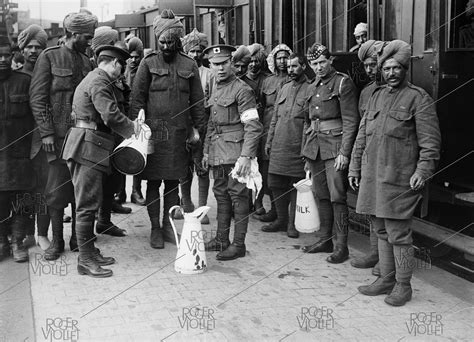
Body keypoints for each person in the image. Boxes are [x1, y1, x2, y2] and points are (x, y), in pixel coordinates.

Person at [349, 40, 441, 306]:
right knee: (379, 229)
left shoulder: (418, 97)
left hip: (399, 177)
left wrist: (423, 171)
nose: (391, 73)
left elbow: (431, 143)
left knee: (398, 233)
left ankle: (403, 286)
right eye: (387, 68)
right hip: (373, 176)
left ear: (405, 69)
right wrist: (355, 167)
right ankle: (386, 279)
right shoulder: (376, 96)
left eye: (397, 68)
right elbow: (361, 138)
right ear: (382, 70)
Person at [130, 9, 207, 249]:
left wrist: (200, 135)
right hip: (154, 135)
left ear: (178, 42)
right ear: (157, 39)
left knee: (173, 183)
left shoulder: (189, 64)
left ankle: (166, 226)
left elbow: (198, 103)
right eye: (162, 41)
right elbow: (136, 100)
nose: (165, 46)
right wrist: (138, 131)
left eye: (170, 42)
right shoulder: (148, 62)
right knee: (153, 183)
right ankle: (154, 228)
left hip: (179, 136)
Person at [62, 45, 139, 278]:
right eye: (121, 67)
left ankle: (89, 250)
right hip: (87, 147)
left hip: (89, 146)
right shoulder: (100, 81)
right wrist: (135, 130)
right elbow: (110, 114)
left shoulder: (95, 78)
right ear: (115, 64)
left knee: (89, 203)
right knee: (86, 206)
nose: (122, 72)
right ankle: (85, 259)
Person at [29, 11, 98, 261]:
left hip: (81, 138)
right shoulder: (49, 57)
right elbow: (37, 99)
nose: (90, 42)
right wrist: (46, 133)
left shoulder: (87, 61)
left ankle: (77, 238)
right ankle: (57, 242)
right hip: (56, 139)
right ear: (72, 34)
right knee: (56, 191)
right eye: (86, 37)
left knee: (80, 189)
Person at [202, 44, 263, 260]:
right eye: (215, 64)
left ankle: (238, 245)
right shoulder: (215, 86)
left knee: (238, 196)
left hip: (237, 153)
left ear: (232, 64)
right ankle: (221, 239)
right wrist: (207, 152)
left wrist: (246, 157)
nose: (220, 68)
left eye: (224, 63)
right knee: (221, 194)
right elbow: (212, 122)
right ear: (210, 65)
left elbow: (253, 126)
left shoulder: (242, 90)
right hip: (218, 153)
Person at [301, 44, 359, 264]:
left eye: (322, 62)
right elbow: (307, 121)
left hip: (335, 146)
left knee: (337, 197)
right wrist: (306, 153)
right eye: (314, 64)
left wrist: (345, 152)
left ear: (330, 60)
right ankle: (325, 240)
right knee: (320, 194)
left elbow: (351, 121)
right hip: (315, 147)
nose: (318, 67)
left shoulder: (343, 83)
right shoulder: (312, 85)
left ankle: (341, 247)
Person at [349, 39, 387, 273]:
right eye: (367, 66)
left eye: (375, 64)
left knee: (392, 219)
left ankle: (389, 265)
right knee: (373, 211)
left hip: (391, 164)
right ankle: (376, 254)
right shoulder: (366, 93)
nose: (371, 70)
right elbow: (361, 131)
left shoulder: (409, 94)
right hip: (369, 161)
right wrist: (355, 165)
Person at [263, 53, 310, 238]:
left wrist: (306, 148)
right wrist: (269, 140)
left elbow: (309, 122)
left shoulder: (311, 88)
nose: (290, 70)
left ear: (304, 66)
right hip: (279, 144)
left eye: (295, 66)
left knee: (295, 185)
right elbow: (275, 117)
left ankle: (292, 223)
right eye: (289, 67)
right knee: (275, 183)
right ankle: (281, 220)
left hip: (297, 144)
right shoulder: (284, 87)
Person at [0, 35, 35, 263]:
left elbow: (37, 116)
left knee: (23, 199)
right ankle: (2, 240)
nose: (3, 59)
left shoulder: (25, 81)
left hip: (21, 155)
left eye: (7, 55)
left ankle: (18, 241)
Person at [17, 24, 50, 250]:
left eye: (38, 46)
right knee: (23, 189)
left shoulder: (48, 72)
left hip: (41, 141)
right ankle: (25, 233)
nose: (33, 51)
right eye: (28, 46)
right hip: (19, 142)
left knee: (44, 189)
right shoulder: (14, 76)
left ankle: (42, 233)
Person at [177, 28, 212, 224]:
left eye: (199, 51)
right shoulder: (182, 72)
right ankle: (186, 204)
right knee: (183, 167)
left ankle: (202, 208)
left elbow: (213, 102)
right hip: (183, 126)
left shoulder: (210, 74)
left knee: (202, 167)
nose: (196, 55)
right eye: (192, 51)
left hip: (203, 125)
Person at [256, 43, 292, 223]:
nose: (283, 61)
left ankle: (286, 215)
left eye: (286, 57)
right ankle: (274, 209)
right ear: (273, 60)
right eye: (279, 58)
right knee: (267, 172)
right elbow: (261, 106)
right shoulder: (267, 81)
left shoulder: (293, 80)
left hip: (286, 129)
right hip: (268, 128)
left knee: (285, 173)